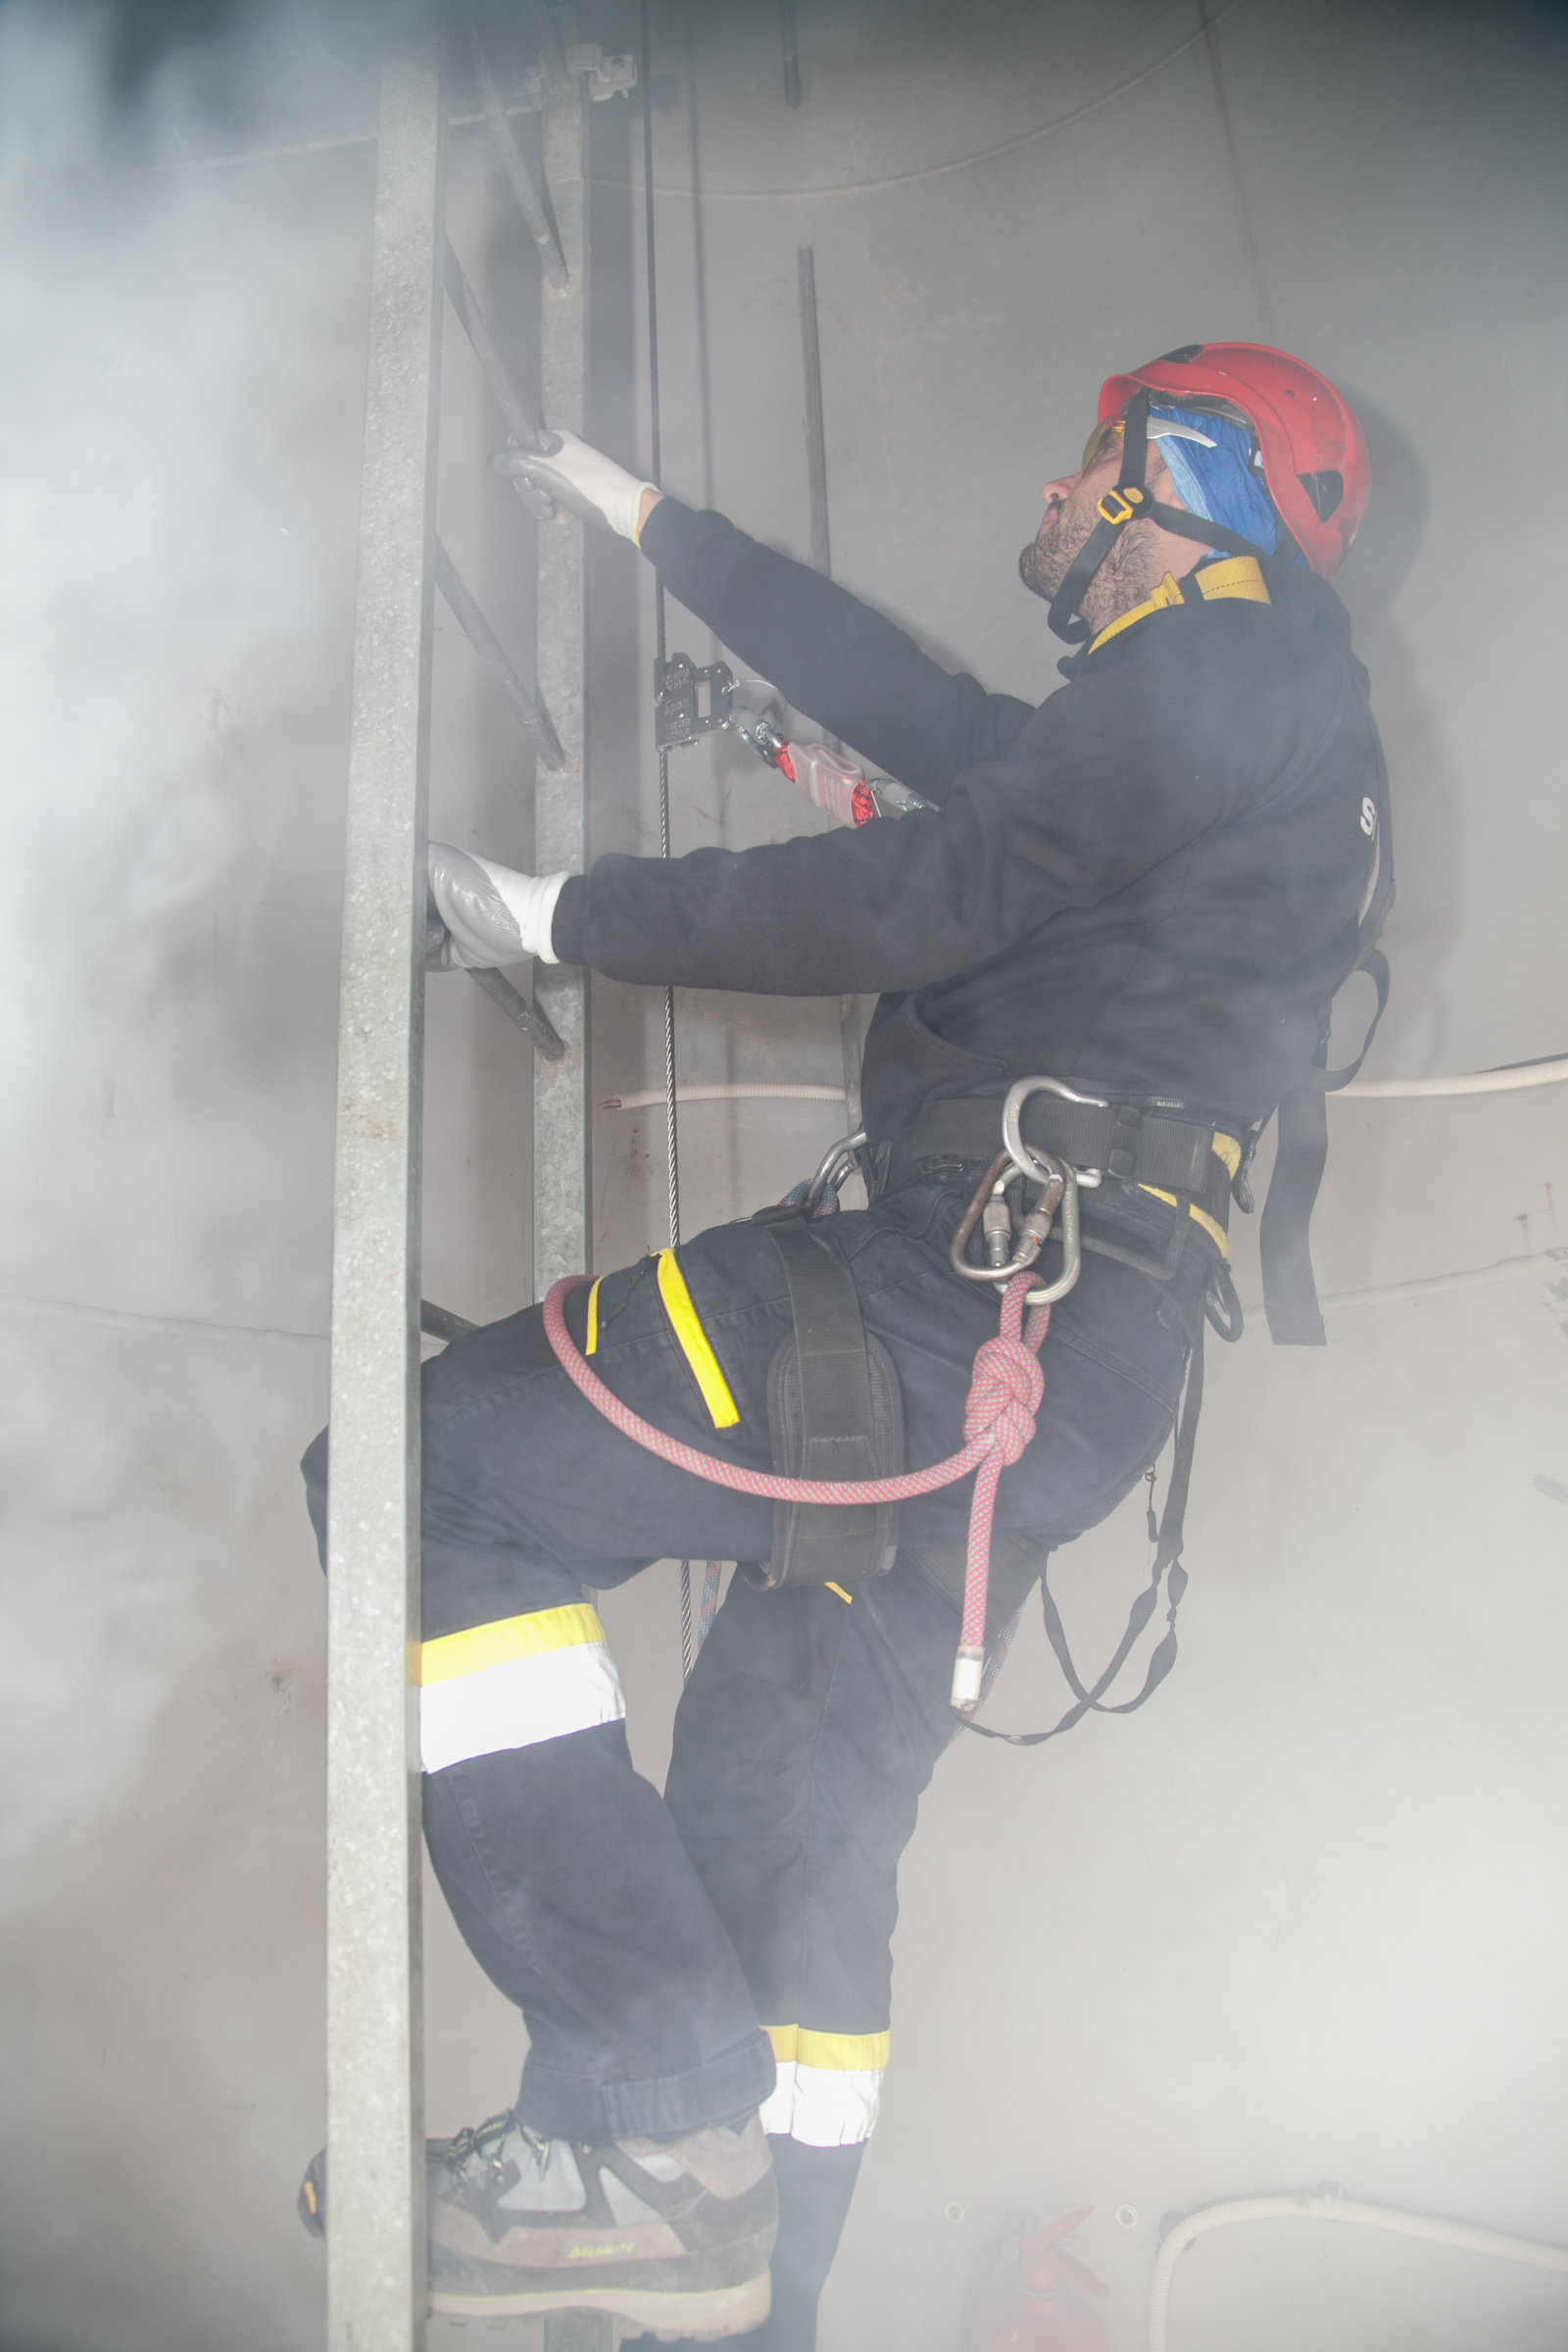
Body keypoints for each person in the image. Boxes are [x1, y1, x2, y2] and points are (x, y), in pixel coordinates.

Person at [299, 344, 1387, 2348]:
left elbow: (936, 877)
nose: (1051, 508)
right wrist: (648, 527)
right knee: (785, 1826)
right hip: (1058, 1348)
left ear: (1179, 492)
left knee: (424, 1472)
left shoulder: (1232, 670)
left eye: (1087, 472)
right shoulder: (1230, 725)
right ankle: (736, 2305)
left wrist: (564, 915)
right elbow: (924, 722)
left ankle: (636, 2119)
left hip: (955, 1295)